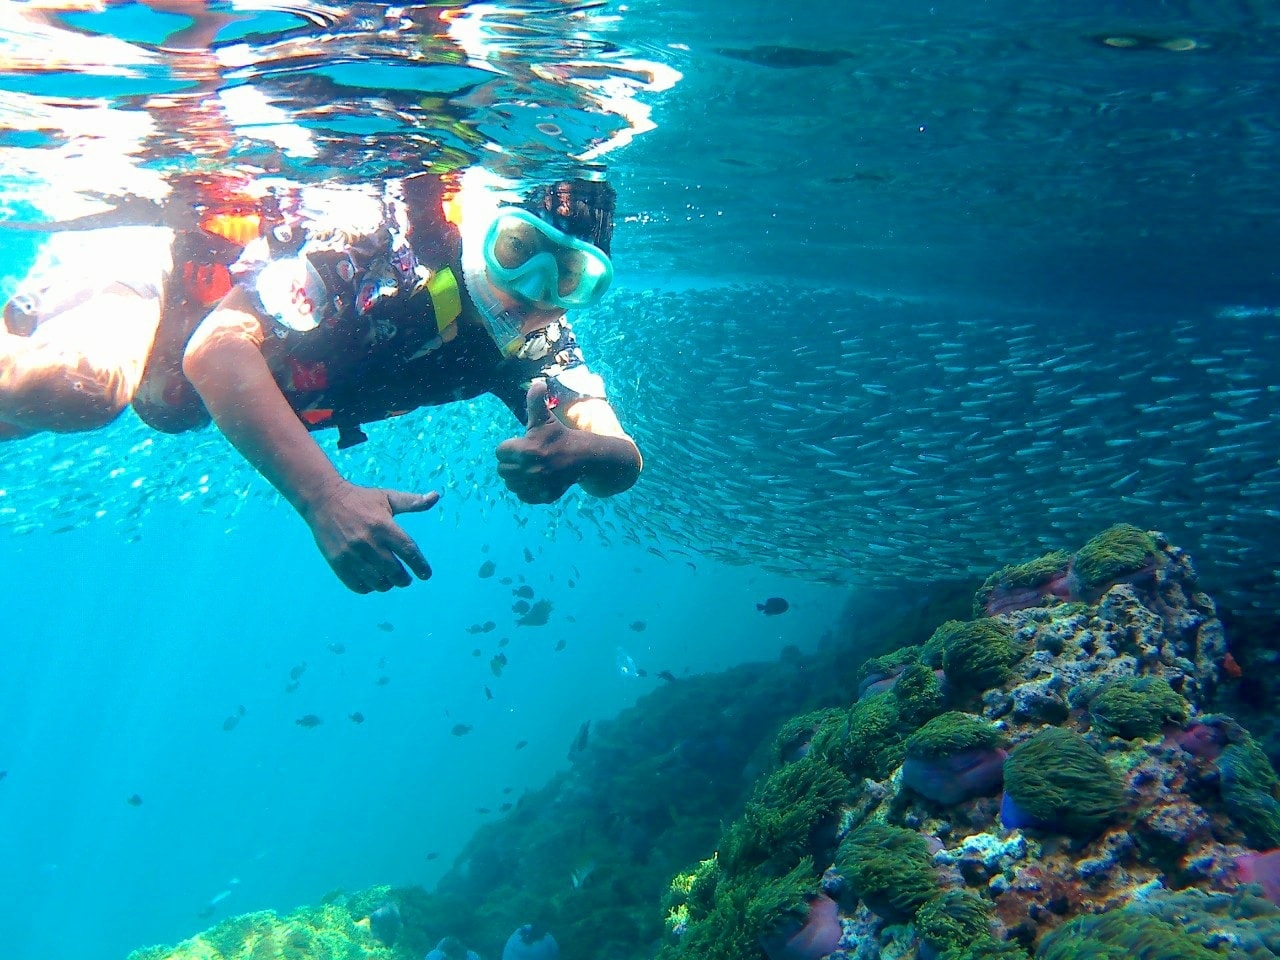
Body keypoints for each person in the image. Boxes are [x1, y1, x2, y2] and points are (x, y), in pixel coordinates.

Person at [0, 169, 643, 594]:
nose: (530, 289)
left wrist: (587, 451)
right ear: (484, 224)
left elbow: (618, 454)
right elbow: (216, 351)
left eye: (569, 279)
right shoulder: (376, 248)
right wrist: (324, 497)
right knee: (79, 386)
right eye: (517, 248)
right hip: (166, 275)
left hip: (179, 384)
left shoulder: (532, 346)